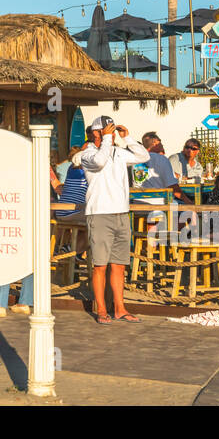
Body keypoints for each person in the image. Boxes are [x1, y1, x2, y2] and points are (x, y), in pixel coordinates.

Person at [79, 116, 150, 324]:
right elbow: (100, 162)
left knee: (119, 265)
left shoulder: (118, 152)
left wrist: (127, 138)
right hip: (99, 214)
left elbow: (143, 156)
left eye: (111, 128)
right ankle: (101, 309)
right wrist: (109, 139)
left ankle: (120, 308)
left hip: (121, 213)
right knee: (100, 265)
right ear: (96, 133)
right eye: (107, 129)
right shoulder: (88, 154)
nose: (111, 132)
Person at [0, 162, 64, 317]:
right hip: (38, 220)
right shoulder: (43, 167)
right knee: (30, 258)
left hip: (18, 216)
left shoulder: (17, 168)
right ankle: (25, 301)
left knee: (6, 257)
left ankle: (0, 303)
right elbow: (58, 188)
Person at [140, 133, 192, 202]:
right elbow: (173, 188)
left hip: (137, 203)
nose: (162, 145)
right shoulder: (161, 159)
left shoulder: (135, 159)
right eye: (160, 141)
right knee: (187, 209)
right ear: (155, 143)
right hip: (158, 205)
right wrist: (189, 202)